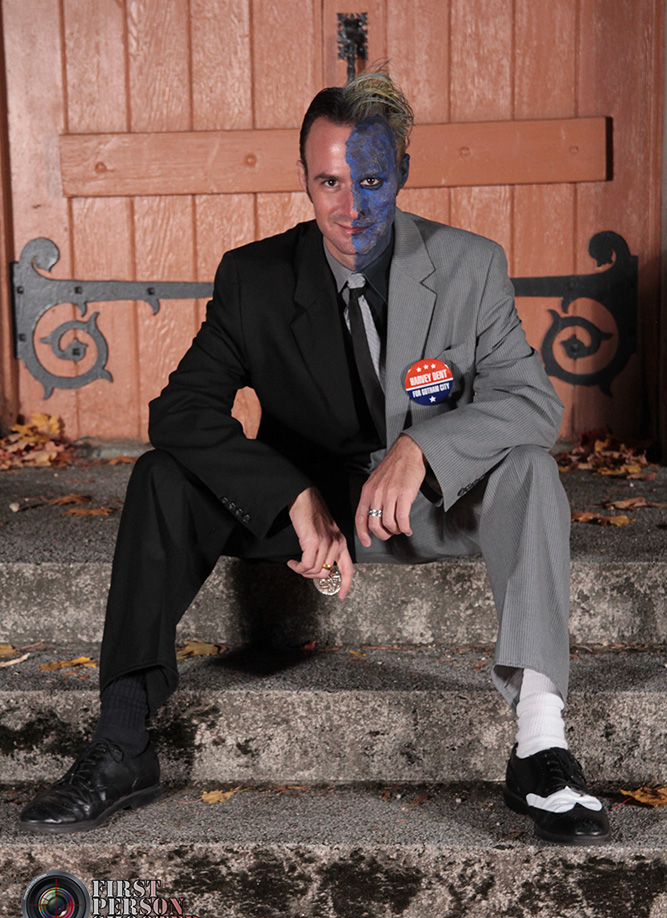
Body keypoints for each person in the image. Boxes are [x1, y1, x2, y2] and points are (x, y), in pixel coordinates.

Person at [20, 72, 609, 845]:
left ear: (402, 169)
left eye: (371, 180)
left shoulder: (469, 265)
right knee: (159, 475)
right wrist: (290, 494)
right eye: (330, 181)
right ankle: (123, 737)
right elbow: (180, 413)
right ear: (304, 178)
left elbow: (531, 405)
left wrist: (421, 448)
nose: (350, 206)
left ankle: (539, 746)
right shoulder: (254, 277)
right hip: (304, 513)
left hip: (427, 504)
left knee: (531, 468)